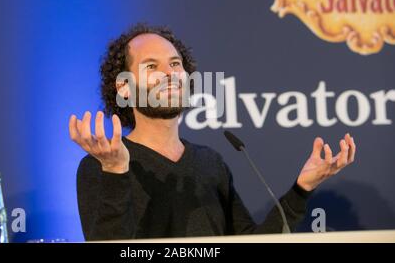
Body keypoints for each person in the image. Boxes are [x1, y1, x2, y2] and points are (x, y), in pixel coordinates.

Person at [69, 23, 356, 240]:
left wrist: (301, 189)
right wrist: (116, 170)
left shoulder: (210, 163)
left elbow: (252, 242)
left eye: (175, 64)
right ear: (123, 87)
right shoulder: (102, 167)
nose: (169, 74)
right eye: (152, 66)